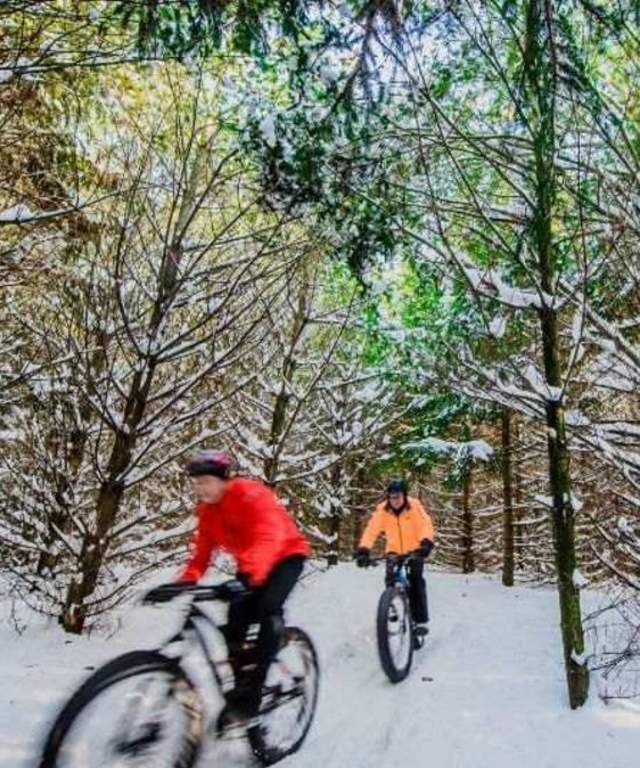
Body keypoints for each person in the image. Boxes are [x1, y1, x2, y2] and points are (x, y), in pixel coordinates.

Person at [150, 450, 310, 724]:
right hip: (253, 564)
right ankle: (240, 694)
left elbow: (268, 537)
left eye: (206, 482)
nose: (200, 488)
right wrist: (183, 583)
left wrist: (247, 577)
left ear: (224, 480)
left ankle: (254, 693)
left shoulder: (251, 495)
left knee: (267, 608)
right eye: (197, 483)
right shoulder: (208, 512)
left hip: (286, 555)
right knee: (235, 620)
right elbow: (201, 555)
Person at [355, 479, 434, 636]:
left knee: (416, 581)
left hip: (415, 550)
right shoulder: (383, 511)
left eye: (397, 497)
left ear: (404, 496)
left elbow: (425, 525)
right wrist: (364, 549)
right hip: (394, 551)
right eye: (391, 497)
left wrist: (426, 542)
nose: (395, 501)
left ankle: (419, 620)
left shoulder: (414, 507)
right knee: (390, 577)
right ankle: (390, 605)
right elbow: (371, 530)